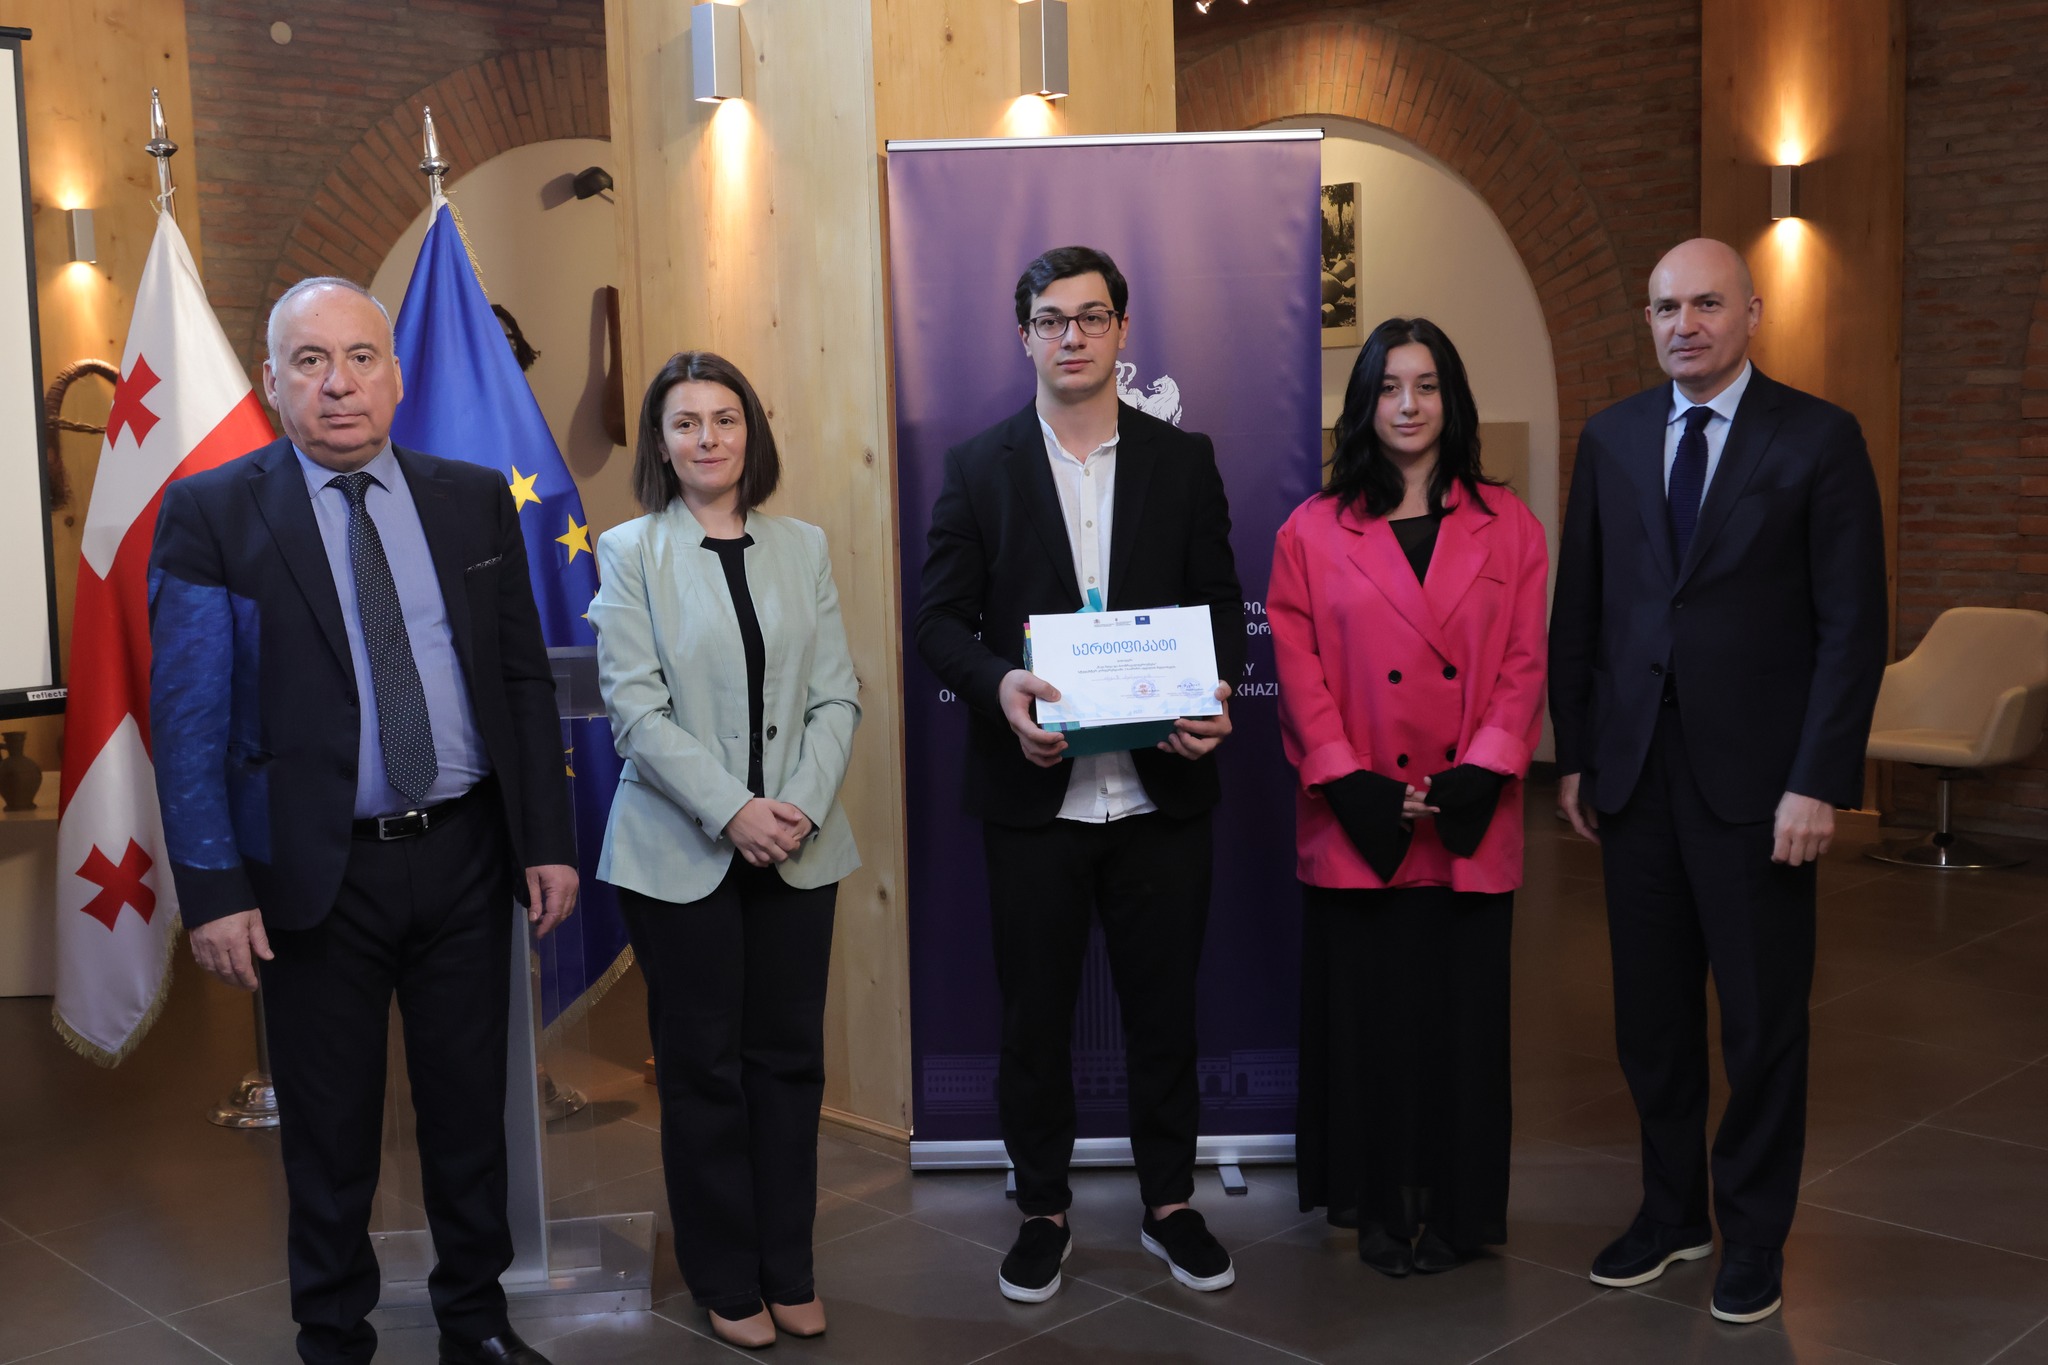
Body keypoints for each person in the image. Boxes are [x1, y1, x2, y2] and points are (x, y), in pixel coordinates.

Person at [150, 276, 579, 1365]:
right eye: (310, 361)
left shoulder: (470, 499)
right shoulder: (212, 513)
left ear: (395, 374)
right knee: (330, 1131)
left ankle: (476, 1325)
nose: (337, 384)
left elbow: (520, 681)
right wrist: (214, 891)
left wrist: (545, 839)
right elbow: (189, 720)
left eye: (359, 358)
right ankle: (333, 1337)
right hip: (314, 877)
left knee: (469, 1117)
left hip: (466, 857)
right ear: (272, 380)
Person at [1549, 239, 1887, 1323]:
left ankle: (1754, 1234)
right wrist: (1576, 752)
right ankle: (1670, 1214)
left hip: (1762, 793)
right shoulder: (1611, 438)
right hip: (1635, 778)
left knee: (1760, 1025)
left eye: (1705, 304)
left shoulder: (1819, 438)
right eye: (1664, 308)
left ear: (1751, 311)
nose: (1683, 325)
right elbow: (1582, 609)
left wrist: (1817, 781)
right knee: (1648, 1022)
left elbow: (1851, 627)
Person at [915, 245, 1246, 1304]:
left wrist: (1214, 697)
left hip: (1161, 792)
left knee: (1164, 1014)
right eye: (1051, 319)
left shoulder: (1181, 460)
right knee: (1033, 1020)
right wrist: (1001, 687)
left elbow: (1219, 605)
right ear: (1024, 337)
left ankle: (1169, 1204)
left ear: (1121, 331)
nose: (1072, 336)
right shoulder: (978, 466)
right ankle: (1043, 1211)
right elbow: (937, 623)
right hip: (1034, 798)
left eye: (1092, 317)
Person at [587, 351, 860, 1351]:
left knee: (788, 1065)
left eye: (725, 418)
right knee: (703, 1070)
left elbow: (836, 695)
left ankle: (789, 1267)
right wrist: (733, 810)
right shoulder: (630, 551)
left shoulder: (803, 546)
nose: (708, 437)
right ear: (661, 445)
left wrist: (795, 807)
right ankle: (725, 1275)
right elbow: (635, 712)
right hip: (679, 853)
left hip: (800, 845)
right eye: (685, 422)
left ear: (752, 432)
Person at [1269, 317, 1548, 1277]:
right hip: (1359, 817)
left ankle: (1460, 1212)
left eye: (1426, 386)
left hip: (1469, 812)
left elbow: (1524, 660)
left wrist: (1485, 767)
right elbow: (1298, 666)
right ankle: (1381, 1208)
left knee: (1461, 1028)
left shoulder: (1510, 523)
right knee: (1372, 1028)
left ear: (1450, 399)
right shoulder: (1311, 528)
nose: (1408, 405)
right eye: (1389, 387)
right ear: (1364, 404)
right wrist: (1349, 778)